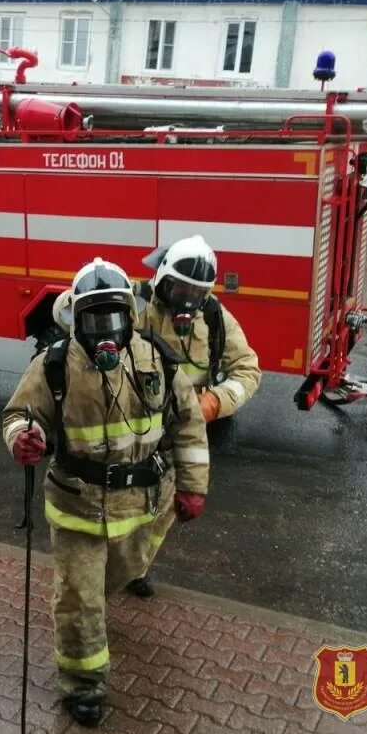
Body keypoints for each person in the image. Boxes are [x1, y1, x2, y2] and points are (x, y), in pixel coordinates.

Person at [2, 257, 209, 727]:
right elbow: (17, 415)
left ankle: (97, 612)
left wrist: (194, 487)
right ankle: (83, 686)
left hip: (141, 507)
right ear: (76, 319)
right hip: (76, 507)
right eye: (94, 320)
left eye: (114, 318)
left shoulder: (156, 359)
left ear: (129, 317)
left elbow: (189, 425)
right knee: (80, 596)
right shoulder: (53, 366)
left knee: (119, 576)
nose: (106, 332)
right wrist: (23, 438)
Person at [125, 235, 261, 597]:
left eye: (196, 292)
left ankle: (136, 569)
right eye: (180, 288)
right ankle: (111, 564)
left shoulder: (214, 317)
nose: (188, 299)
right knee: (123, 503)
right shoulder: (135, 306)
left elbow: (248, 370)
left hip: (180, 434)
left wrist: (215, 402)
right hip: (132, 429)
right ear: (162, 280)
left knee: (163, 511)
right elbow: (71, 312)